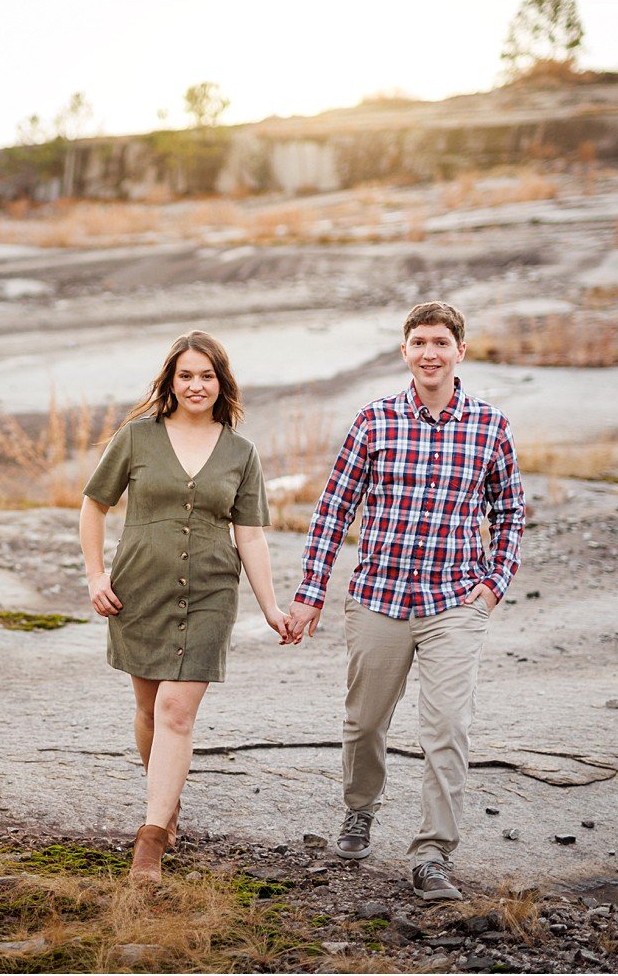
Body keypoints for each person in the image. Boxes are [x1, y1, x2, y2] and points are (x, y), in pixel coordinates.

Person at [287, 302, 524, 901]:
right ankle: (360, 810)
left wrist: (494, 584)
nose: (429, 353)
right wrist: (312, 593)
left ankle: (432, 854)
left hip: (454, 602)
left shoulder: (490, 426)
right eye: (418, 342)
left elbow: (511, 511)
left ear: (460, 351)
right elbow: (333, 509)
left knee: (446, 727)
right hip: (378, 599)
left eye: (441, 342)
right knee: (365, 722)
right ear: (405, 351)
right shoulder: (374, 421)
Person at [80, 330, 293, 885]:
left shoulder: (241, 452)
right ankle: (165, 804)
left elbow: (251, 536)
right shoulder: (136, 437)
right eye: (186, 375)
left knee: (177, 711)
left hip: (210, 593)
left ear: (222, 382)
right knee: (150, 710)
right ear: (170, 382)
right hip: (139, 589)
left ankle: (149, 842)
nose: (196, 385)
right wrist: (95, 573)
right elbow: (92, 506)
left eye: (207, 375)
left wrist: (270, 606)